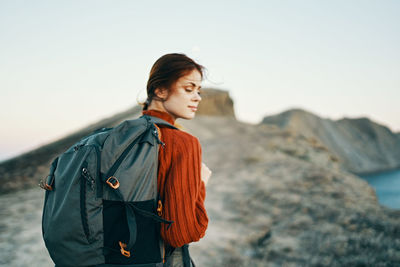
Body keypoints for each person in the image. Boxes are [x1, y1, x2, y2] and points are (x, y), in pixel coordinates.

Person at [141, 53, 212, 267]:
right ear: (160, 90)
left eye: (198, 91)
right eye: (188, 89)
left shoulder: (119, 136)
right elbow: (181, 233)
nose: (197, 97)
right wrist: (200, 184)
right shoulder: (183, 143)